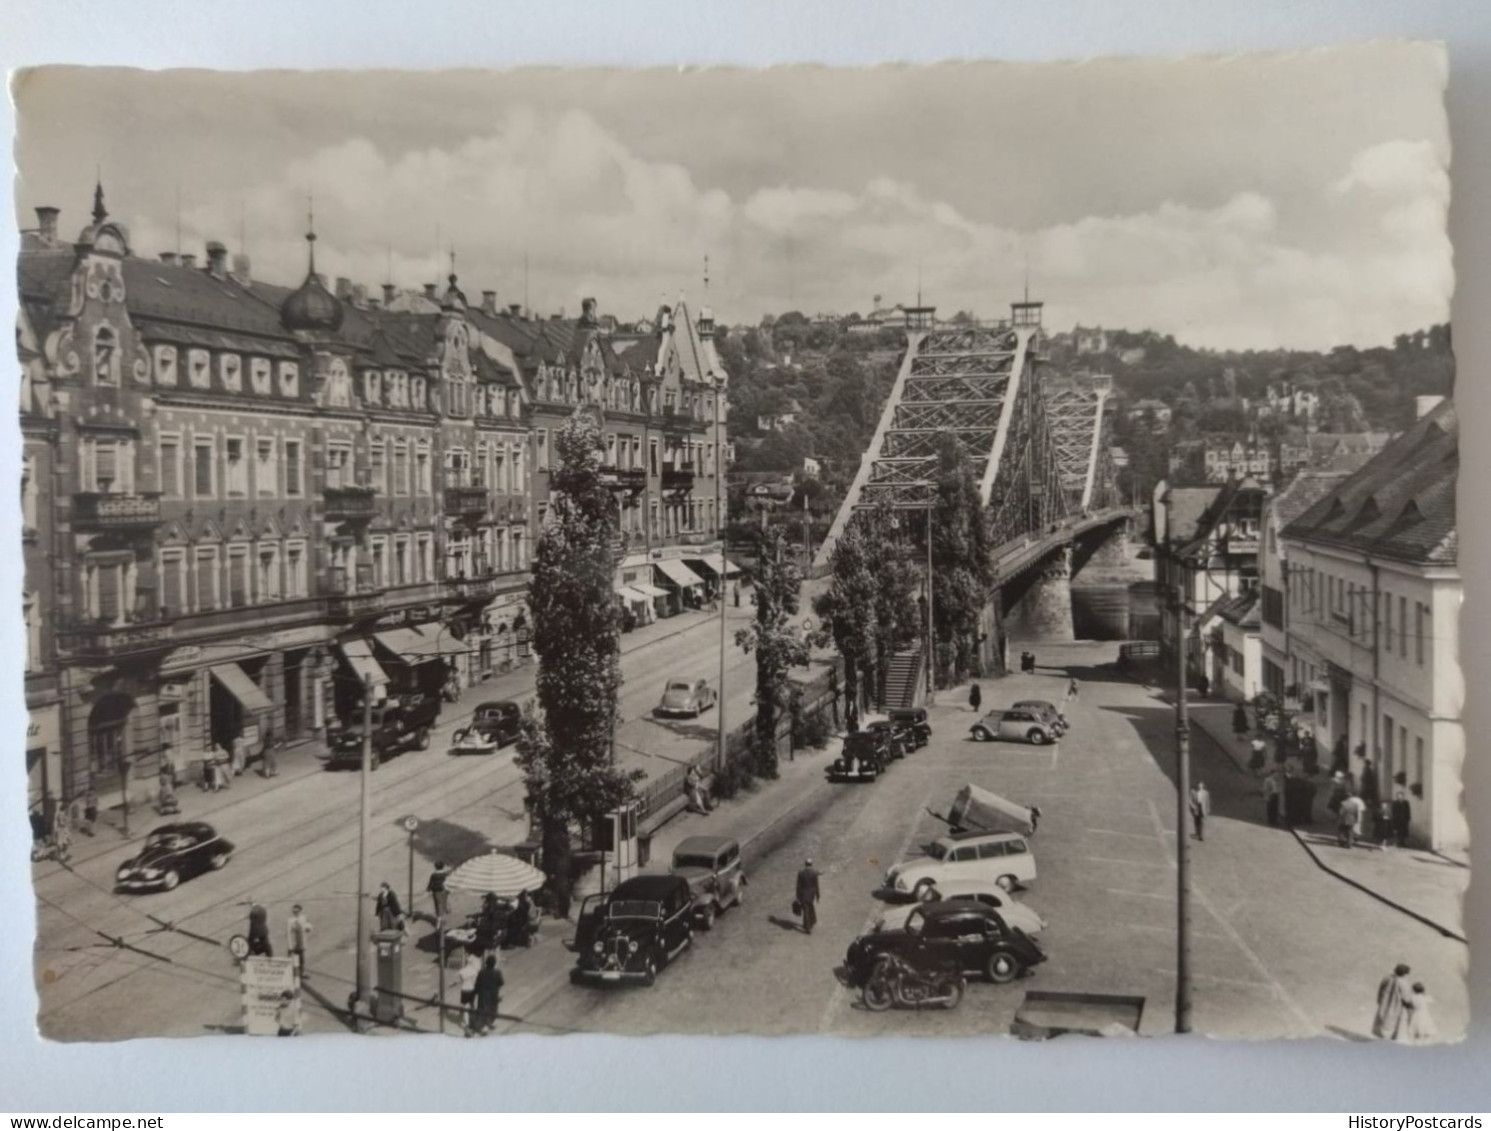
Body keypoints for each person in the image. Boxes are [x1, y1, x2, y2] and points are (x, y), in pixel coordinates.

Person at [1372, 963, 1413, 1040]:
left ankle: (1380, 1040)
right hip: (1395, 1006)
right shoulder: (1403, 982)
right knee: (1391, 1024)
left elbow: (1380, 990)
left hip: (1384, 1004)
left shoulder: (1387, 978)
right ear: (1405, 973)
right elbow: (1406, 998)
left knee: (1382, 1021)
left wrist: (1379, 1000)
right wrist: (1410, 1005)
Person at [474, 953, 504, 1035]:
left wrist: (476, 991)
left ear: (486, 963)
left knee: (482, 1009)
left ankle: (481, 1026)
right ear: (494, 963)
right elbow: (501, 982)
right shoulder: (497, 972)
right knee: (492, 1009)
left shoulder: (482, 972)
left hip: (483, 994)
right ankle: (489, 1024)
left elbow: (478, 983)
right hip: (493, 994)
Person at [458, 949, 482, 1036]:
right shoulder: (474, 971)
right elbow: (476, 981)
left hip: (464, 990)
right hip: (472, 990)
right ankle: (471, 1022)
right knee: (472, 1006)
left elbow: (461, 980)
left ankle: (466, 1022)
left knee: (465, 1007)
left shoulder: (462, 971)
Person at [794, 858, 821, 935]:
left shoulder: (801, 873)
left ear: (805, 864)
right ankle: (811, 922)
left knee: (806, 910)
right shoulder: (814, 872)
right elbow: (816, 885)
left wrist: (797, 896)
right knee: (810, 906)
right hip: (811, 894)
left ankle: (807, 927)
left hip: (803, 894)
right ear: (811, 864)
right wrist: (818, 895)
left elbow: (798, 886)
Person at [287, 904, 312, 981]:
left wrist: (308, 928)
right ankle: (292, 974)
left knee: (302, 958)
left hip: (301, 942)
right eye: (294, 911)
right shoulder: (290, 920)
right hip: (294, 943)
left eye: (297, 911)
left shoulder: (303, 918)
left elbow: (307, 927)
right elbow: (288, 933)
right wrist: (290, 945)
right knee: (293, 958)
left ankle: (302, 973)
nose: (295, 913)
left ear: (300, 911)